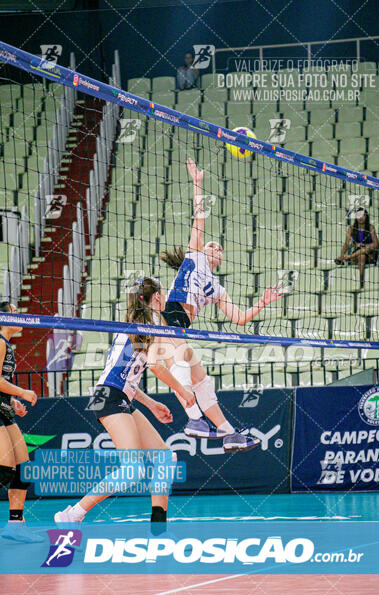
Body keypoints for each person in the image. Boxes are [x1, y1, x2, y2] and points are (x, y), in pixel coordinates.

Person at [159, 158, 284, 452]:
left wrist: (262, 304)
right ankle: (193, 420)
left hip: (182, 326)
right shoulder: (194, 256)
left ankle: (229, 434)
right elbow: (199, 216)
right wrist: (197, 183)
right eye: (211, 245)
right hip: (167, 319)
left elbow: (239, 319)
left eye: (219, 248)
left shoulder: (218, 288)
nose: (214, 248)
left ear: (221, 259)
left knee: (202, 380)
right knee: (180, 365)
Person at [54, 277, 195, 527]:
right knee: (133, 470)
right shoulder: (150, 324)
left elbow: (128, 376)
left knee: (165, 457)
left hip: (116, 394)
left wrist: (151, 404)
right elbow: (155, 367)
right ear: (158, 297)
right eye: (162, 294)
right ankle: (72, 514)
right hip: (108, 394)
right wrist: (183, 392)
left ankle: (159, 527)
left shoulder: (138, 322)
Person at [0, 302, 40, 542]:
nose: (19, 317)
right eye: (14, 313)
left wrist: (12, 398)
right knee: (4, 469)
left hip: (3, 407)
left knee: (23, 466)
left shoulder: (7, 345)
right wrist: (23, 392)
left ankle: (16, 525)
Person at [335, 207, 378, 286]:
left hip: (370, 254)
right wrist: (342, 254)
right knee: (361, 256)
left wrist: (364, 245)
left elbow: (375, 244)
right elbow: (346, 244)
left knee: (365, 250)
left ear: (366, 216)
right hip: (358, 255)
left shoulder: (371, 227)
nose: (360, 217)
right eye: (358, 215)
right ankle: (361, 283)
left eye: (362, 215)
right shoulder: (351, 228)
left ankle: (348, 258)